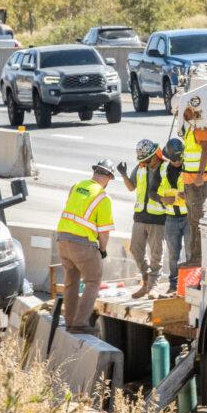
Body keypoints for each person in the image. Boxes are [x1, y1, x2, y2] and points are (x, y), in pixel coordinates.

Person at [55, 159, 116, 334]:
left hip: (62, 239)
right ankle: (80, 323)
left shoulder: (76, 186)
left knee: (71, 282)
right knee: (93, 280)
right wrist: (102, 250)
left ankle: (69, 322)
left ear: (95, 172)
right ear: (108, 177)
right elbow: (103, 232)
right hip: (82, 243)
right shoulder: (103, 197)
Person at [118, 139, 165, 298]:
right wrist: (124, 175)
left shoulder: (165, 168)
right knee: (135, 250)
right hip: (140, 217)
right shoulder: (140, 167)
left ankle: (153, 287)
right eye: (143, 160)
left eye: (148, 159)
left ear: (156, 154)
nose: (145, 163)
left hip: (158, 218)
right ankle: (145, 281)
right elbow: (131, 187)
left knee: (156, 255)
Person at [180, 105, 207, 267]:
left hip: (197, 182)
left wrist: (200, 175)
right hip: (190, 182)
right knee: (193, 221)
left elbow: (205, 150)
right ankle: (194, 257)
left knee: (198, 221)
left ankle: (198, 258)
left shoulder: (199, 128)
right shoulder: (190, 129)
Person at [157, 137, 189, 294]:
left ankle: (190, 285)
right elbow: (155, 191)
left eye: (178, 158)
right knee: (173, 255)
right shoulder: (163, 169)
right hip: (171, 218)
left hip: (188, 217)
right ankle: (173, 284)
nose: (176, 161)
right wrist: (163, 199)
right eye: (173, 159)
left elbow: (201, 189)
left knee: (190, 253)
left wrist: (188, 196)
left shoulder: (189, 167)